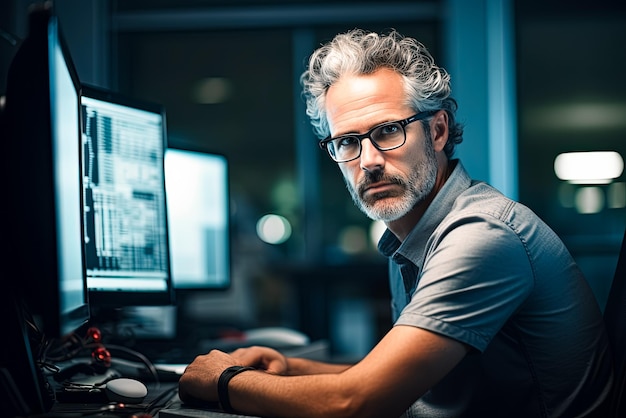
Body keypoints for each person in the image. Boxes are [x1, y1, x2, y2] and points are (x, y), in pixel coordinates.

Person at [178, 29, 613, 417]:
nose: (367, 162)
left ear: (438, 131)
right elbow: (398, 377)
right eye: (347, 141)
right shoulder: (409, 237)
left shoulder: (482, 235)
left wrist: (225, 381)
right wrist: (290, 368)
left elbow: (361, 400)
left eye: (387, 132)